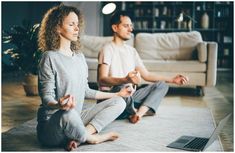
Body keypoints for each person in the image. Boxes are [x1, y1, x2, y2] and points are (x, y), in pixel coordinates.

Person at [37, 5, 133, 151]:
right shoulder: (49, 57)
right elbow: (46, 98)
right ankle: (93, 138)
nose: (77, 29)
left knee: (119, 102)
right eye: (71, 24)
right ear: (57, 28)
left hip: (77, 118)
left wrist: (117, 94)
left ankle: (81, 136)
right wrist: (59, 105)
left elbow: (86, 91)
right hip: (53, 126)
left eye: (77, 24)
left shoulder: (80, 58)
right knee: (68, 114)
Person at [98, 11, 189, 124]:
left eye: (131, 26)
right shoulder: (107, 49)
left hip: (129, 95)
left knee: (162, 85)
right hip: (113, 96)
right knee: (122, 86)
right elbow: (102, 79)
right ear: (115, 27)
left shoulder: (132, 51)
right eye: (126, 26)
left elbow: (147, 75)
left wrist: (172, 79)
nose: (130, 30)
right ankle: (132, 110)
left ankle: (138, 114)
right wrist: (125, 80)